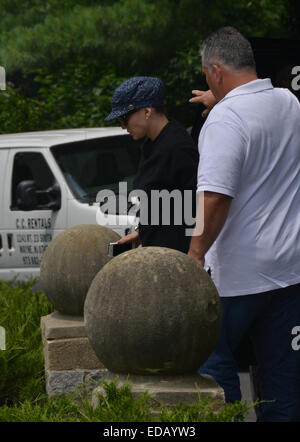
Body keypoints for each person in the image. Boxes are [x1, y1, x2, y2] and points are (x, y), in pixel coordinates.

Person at [188, 26, 300, 422]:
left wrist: (195, 254)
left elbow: (216, 198)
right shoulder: (289, 103)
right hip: (288, 275)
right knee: (285, 383)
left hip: (235, 281)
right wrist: (219, 100)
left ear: (216, 71)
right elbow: (253, 109)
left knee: (215, 373)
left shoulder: (224, 121)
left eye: (207, 76)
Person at [106, 76, 198, 253]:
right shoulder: (151, 144)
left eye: (124, 118)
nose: (122, 126)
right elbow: (163, 204)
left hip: (178, 256)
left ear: (147, 112)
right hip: (158, 252)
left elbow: (196, 208)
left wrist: (195, 255)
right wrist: (142, 231)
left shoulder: (178, 147)